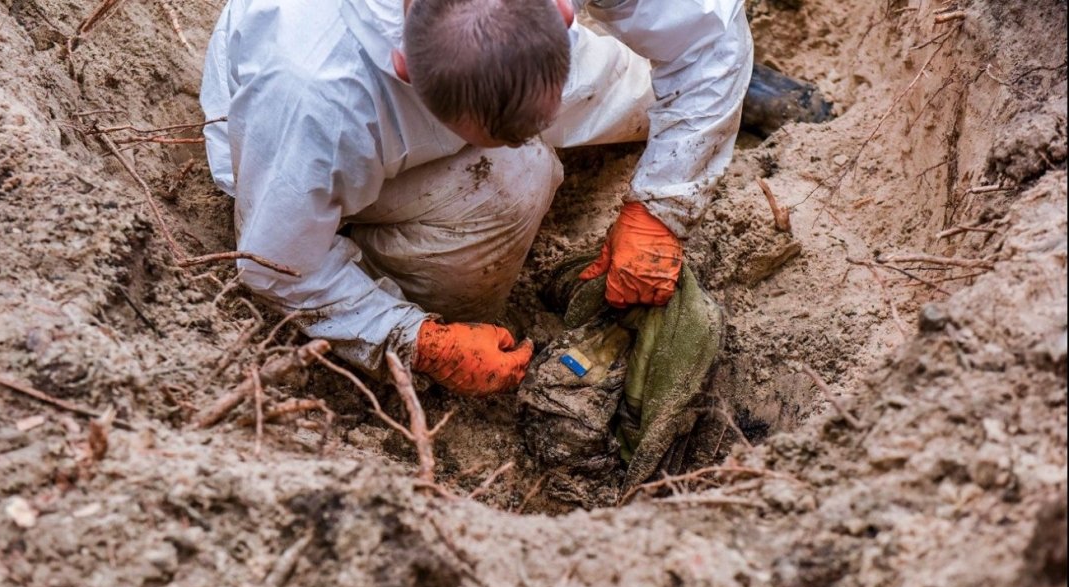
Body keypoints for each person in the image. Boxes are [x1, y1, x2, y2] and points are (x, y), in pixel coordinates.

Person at [200, 0, 753, 396]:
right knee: (513, 180)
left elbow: (707, 32)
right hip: (307, 153)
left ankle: (732, 89)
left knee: (650, 87)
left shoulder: (537, 26)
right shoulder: (312, 103)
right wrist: (415, 338)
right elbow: (276, 264)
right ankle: (447, 318)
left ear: (562, 13)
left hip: (494, 53)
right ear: (406, 71)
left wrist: (661, 207)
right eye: (498, 132)